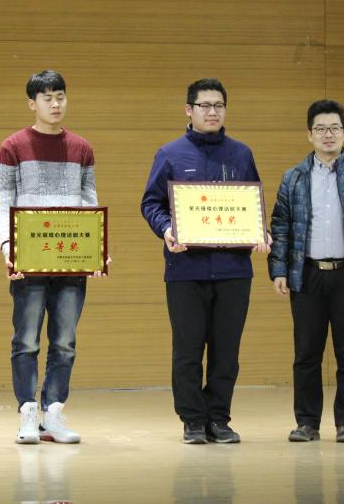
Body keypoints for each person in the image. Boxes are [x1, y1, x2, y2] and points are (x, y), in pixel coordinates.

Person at [140, 78, 271, 445]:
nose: (212, 112)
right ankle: (193, 420)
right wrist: (167, 228)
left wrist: (261, 231)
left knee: (226, 351)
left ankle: (219, 418)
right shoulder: (170, 154)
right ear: (189, 110)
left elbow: (253, 205)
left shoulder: (241, 154)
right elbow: (150, 203)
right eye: (205, 105)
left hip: (234, 271)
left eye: (219, 105)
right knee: (187, 350)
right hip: (186, 270)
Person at [268, 99, 344, 444]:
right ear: (309, 134)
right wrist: (278, 269)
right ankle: (306, 423)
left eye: (334, 128)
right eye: (320, 128)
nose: (328, 135)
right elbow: (280, 226)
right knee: (306, 354)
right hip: (307, 276)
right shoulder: (294, 177)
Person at [0, 70, 104, 445]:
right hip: (28, 259)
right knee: (26, 340)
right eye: (47, 98)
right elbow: (3, 201)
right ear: (32, 103)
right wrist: (8, 248)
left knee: (65, 342)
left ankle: (53, 414)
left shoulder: (82, 148)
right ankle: (28, 414)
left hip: (72, 259)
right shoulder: (12, 147)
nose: (55, 104)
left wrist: (96, 250)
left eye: (60, 96)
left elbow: (89, 201)